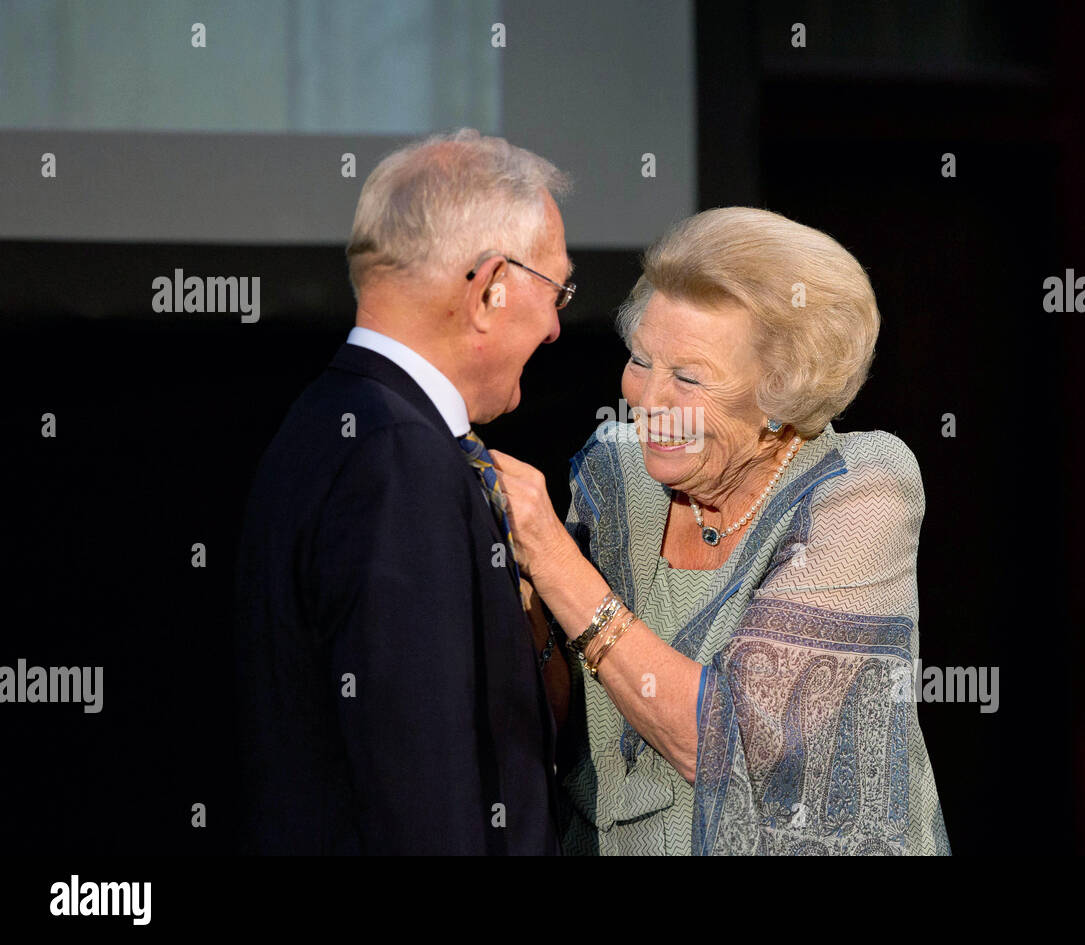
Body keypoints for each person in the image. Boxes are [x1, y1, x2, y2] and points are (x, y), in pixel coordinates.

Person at [492, 206, 951, 855]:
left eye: (687, 377)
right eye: (641, 360)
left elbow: (731, 743)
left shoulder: (861, 486)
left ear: (780, 391)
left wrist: (552, 556)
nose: (647, 399)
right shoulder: (616, 473)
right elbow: (560, 715)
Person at [233, 129, 574, 854]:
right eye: (556, 289)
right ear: (489, 290)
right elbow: (422, 791)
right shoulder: (400, 461)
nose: (555, 328)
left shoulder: (325, 420)